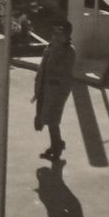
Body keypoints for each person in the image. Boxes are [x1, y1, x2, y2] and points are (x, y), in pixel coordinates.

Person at [34, 22, 76, 160]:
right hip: (46, 87)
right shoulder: (50, 48)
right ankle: (56, 144)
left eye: (60, 35)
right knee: (48, 118)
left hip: (58, 89)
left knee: (52, 119)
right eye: (55, 34)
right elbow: (42, 69)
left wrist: (51, 89)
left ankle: (56, 148)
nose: (56, 37)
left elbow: (62, 73)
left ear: (67, 36)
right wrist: (38, 88)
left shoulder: (68, 52)